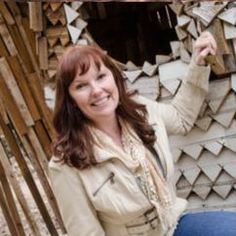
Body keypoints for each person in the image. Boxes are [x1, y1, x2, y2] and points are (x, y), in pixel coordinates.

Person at [48, 31, 236, 236]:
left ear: (114, 78)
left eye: (101, 77)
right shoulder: (66, 163)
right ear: (71, 100)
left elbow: (181, 118)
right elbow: (85, 233)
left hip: (172, 225)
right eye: (81, 86)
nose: (97, 90)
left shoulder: (141, 113)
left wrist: (198, 64)